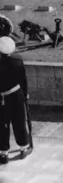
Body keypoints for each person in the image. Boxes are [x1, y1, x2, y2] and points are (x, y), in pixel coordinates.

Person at [0, 36, 31, 164]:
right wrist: (26, 94)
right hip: (16, 95)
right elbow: (23, 80)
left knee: (2, 125)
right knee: (19, 122)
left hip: (2, 98)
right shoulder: (18, 61)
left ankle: (3, 152)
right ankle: (23, 148)